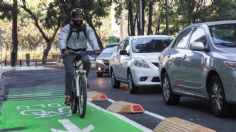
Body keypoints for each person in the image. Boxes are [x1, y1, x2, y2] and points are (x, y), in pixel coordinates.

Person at [58, 8, 99, 105]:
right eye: (76, 17)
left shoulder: (87, 28)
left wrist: (96, 48)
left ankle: (84, 79)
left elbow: (92, 38)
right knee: (69, 72)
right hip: (69, 52)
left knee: (87, 62)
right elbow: (62, 39)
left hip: (82, 52)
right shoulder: (67, 28)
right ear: (72, 18)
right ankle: (68, 96)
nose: (78, 19)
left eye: (80, 17)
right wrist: (63, 49)